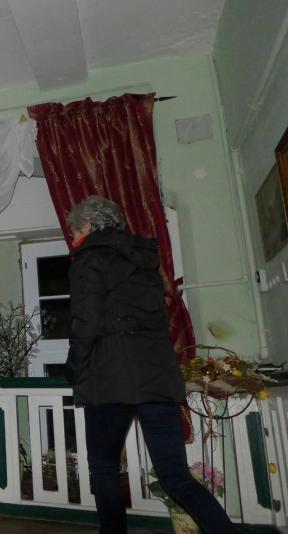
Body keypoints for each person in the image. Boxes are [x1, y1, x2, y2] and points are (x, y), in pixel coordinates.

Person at [66, 196, 237, 533]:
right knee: (176, 477)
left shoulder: (89, 260)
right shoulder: (145, 262)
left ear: (87, 227)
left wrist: (74, 367)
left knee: (103, 466)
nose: (73, 240)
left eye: (73, 232)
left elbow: (86, 323)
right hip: (157, 376)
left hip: (110, 380)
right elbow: (157, 322)